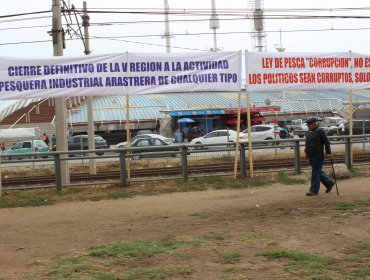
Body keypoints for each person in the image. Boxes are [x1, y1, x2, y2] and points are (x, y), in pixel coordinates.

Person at [304, 117, 335, 196]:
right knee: (317, 171)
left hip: (318, 154)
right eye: (307, 125)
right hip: (311, 154)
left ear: (314, 124)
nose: (308, 126)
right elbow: (307, 143)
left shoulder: (320, 131)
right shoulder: (307, 132)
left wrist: (328, 152)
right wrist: (306, 152)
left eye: (309, 125)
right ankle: (329, 184)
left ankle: (313, 191)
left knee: (315, 172)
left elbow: (326, 142)